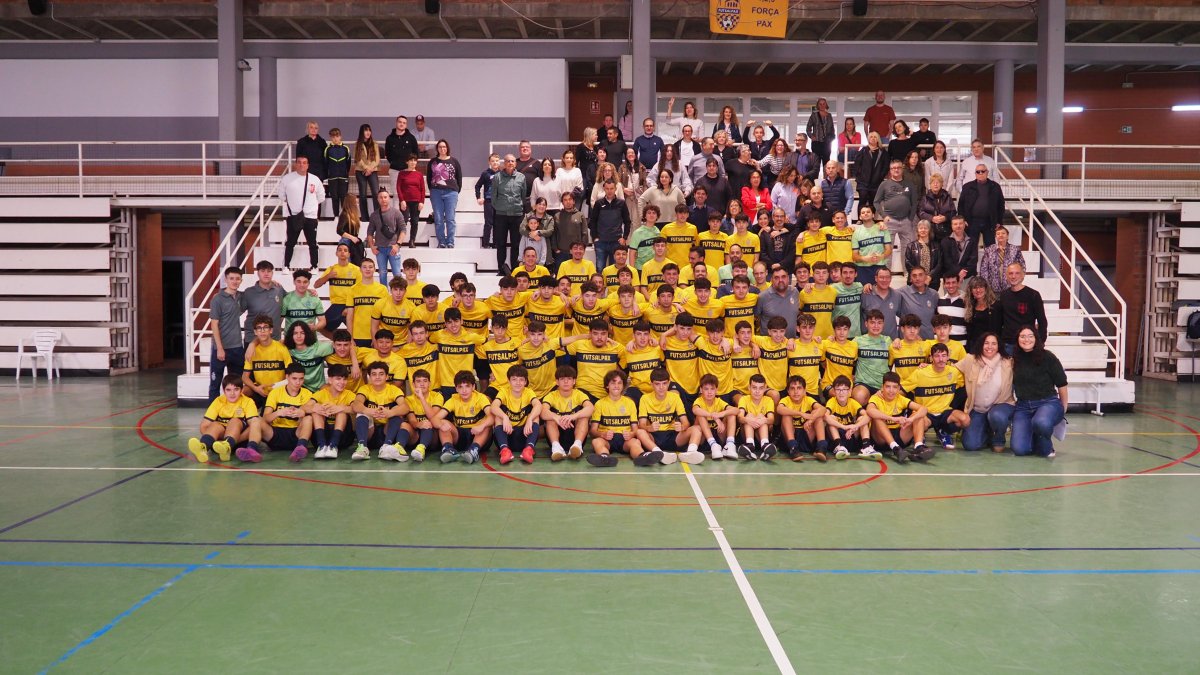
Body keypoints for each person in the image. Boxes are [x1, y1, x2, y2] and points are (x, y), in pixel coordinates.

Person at [1010, 326, 1069, 458]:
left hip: (1048, 403)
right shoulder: (1014, 359)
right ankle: (1036, 434)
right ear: (1017, 339)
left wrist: (1064, 407)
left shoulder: (1048, 357)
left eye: (1030, 336)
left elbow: (1062, 383)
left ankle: (1046, 442)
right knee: (1019, 450)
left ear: (1036, 338)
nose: (1026, 339)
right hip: (1023, 407)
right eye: (1022, 336)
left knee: (1041, 423)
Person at [953, 332, 1016, 453]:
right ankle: (987, 432)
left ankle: (998, 438)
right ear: (981, 345)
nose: (989, 347)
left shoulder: (1008, 362)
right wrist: (927, 366)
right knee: (970, 445)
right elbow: (950, 369)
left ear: (999, 346)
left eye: (994, 344)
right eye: (986, 343)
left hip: (1001, 405)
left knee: (997, 416)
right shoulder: (970, 360)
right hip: (977, 409)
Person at [903, 342, 970, 449]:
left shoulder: (954, 372)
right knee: (916, 419)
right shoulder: (921, 373)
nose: (941, 359)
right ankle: (919, 443)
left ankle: (943, 431)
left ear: (948, 357)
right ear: (931, 358)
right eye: (937, 356)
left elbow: (967, 384)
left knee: (965, 420)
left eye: (944, 356)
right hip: (926, 413)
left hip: (944, 412)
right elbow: (902, 389)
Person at [591, 369, 663, 467]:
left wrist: (631, 434)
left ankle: (643, 457)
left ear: (623, 386)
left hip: (625, 439)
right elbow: (593, 431)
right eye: (613, 383)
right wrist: (602, 434)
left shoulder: (630, 403)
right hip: (607, 439)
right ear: (607, 385)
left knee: (635, 442)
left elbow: (635, 429)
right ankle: (604, 458)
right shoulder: (599, 404)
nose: (616, 386)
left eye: (620, 383)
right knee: (596, 441)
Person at [637, 368, 705, 464]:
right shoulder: (645, 398)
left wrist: (682, 427)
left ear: (669, 383)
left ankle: (691, 453)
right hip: (654, 437)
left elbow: (686, 422)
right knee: (640, 432)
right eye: (657, 384)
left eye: (664, 383)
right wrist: (649, 428)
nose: (661, 387)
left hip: (673, 436)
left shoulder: (675, 397)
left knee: (697, 428)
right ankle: (658, 453)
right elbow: (641, 425)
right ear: (651, 384)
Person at [188, 374, 257, 463]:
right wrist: (214, 442)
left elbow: (254, 427)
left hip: (239, 443)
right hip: (218, 445)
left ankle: (227, 446)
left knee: (235, 421)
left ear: (242, 390)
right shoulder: (218, 401)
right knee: (215, 424)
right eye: (228, 390)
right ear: (224, 391)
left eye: (236, 389)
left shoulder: (248, 402)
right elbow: (204, 426)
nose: (232, 393)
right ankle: (203, 447)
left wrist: (236, 439)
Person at [866, 371, 933, 463]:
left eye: (894, 387)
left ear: (898, 389)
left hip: (899, 436)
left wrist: (911, 419)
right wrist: (893, 418)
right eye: (888, 386)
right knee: (877, 417)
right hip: (880, 439)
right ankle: (895, 448)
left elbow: (923, 409)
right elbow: (870, 411)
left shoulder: (900, 399)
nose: (891, 390)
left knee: (918, 416)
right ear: (882, 387)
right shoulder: (876, 398)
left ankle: (918, 447)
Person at [255, 363, 316, 463]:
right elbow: (266, 418)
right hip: (275, 434)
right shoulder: (275, 392)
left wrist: (302, 412)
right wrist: (279, 413)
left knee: (308, 418)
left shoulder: (307, 393)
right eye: (294, 378)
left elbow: (311, 414)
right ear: (287, 377)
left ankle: (301, 447)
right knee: (256, 420)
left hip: (296, 435)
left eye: (301, 379)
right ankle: (251, 449)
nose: (298, 382)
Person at [349, 361, 408, 461]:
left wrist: (390, 413)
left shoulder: (393, 389)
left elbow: (405, 407)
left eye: (381, 374)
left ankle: (386, 447)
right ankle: (362, 447)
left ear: (386, 376)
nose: (377, 377)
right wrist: (368, 410)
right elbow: (356, 404)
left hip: (387, 431)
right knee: (361, 413)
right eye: (374, 374)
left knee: (397, 413)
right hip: (370, 433)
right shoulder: (365, 389)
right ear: (369, 376)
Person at [487, 366, 543, 465]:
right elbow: (494, 406)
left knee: (535, 416)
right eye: (514, 379)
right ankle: (504, 451)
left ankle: (529, 449)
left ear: (525, 382)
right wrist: (505, 417)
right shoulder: (504, 391)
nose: (518, 383)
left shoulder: (528, 392)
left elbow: (538, 405)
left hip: (524, 435)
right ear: (508, 381)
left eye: (521, 380)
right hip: (507, 435)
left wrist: (529, 419)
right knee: (498, 417)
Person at [277, 156, 324, 270]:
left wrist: (310, 208)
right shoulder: (287, 179)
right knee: (290, 243)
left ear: (308, 165)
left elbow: (321, 197)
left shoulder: (314, 179)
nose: (301, 165)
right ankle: (286, 266)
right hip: (293, 216)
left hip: (310, 217)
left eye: (304, 163)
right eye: (299, 163)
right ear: (295, 164)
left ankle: (314, 266)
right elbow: (281, 195)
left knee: (312, 243)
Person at [436, 370, 493, 465]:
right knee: (442, 422)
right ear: (456, 388)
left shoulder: (481, 398)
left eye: (467, 386)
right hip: (459, 436)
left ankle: (474, 450)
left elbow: (492, 417)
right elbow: (436, 418)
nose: (464, 390)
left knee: (487, 424)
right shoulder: (453, 399)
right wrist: (440, 425)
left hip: (477, 435)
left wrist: (481, 426)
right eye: (460, 387)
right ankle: (448, 449)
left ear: (473, 387)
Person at [540, 365, 594, 461]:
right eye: (562, 379)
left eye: (569, 379)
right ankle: (556, 448)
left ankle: (577, 446)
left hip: (575, 434)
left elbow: (590, 408)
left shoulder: (579, 394)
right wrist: (556, 417)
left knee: (583, 417)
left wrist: (573, 416)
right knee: (550, 418)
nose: (566, 382)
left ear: (574, 381)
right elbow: (543, 412)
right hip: (556, 436)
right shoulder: (551, 395)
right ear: (557, 382)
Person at [208, 266, 245, 401]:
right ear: (226, 279)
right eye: (231, 278)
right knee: (215, 383)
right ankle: (212, 415)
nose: (234, 281)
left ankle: (234, 412)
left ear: (241, 280)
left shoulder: (241, 296)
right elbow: (214, 324)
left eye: (237, 279)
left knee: (236, 384)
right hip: (221, 348)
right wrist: (219, 348)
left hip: (236, 347)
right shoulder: (217, 299)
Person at [240, 314, 291, 408]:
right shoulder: (252, 351)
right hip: (260, 389)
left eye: (265, 327)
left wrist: (277, 387)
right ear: (255, 332)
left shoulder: (281, 348)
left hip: (278, 389)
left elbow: (291, 375)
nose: (262, 331)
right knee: (245, 390)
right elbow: (244, 377)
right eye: (259, 328)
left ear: (271, 330)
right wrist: (255, 388)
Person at [822, 375, 878, 459]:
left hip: (851, 436)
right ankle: (839, 446)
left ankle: (866, 446)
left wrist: (855, 426)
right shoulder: (832, 402)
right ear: (834, 391)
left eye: (844, 389)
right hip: (837, 436)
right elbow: (825, 416)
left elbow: (868, 415)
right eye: (838, 389)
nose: (841, 392)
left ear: (850, 391)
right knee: (831, 417)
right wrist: (844, 427)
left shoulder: (853, 402)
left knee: (861, 418)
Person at [313, 242, 362, 334]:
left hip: (351, 304)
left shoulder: (356, 270)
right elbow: (316, 285)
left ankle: (354, 346)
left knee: (358, 331)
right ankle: (337, 343)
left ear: (349, 254)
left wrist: (351, 307)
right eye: (340, 250)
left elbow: (361, 290)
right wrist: (328, 276)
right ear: (336, 253)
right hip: (336, 305)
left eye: (345, 250)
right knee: (321, 327)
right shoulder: (331, 269)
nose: (342, 252)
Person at [999, 262, 1047, 352]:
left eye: (1017, 273)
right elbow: (1000, 321)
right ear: (1006, 276)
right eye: (1010, 273)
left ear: (1023, 275)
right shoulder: (1003, 295)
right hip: (1008, 344)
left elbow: (1042, 321)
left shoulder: (1033, 295)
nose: (1013, 276)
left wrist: (1040, 342)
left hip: (1027, 344)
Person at [875, 159, 918, 260]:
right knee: (887, 250)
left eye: (898, 167)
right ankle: (886, 275)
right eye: (893, 168)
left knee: (908, 251)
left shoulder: (909, 184)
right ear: (890, 170)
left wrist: (910, 218)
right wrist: (884, 216)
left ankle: (908, 274)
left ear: (902, 169)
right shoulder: (884, 184)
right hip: (890, 221)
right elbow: (876, 202)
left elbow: (915, 203)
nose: (896, 170)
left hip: (906, 221)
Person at [491, 154, 526, 275]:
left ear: (515, 163)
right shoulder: (497, 177)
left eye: (512, 161)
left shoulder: (521, 177)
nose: (510, 163)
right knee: (501, 243)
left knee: (516, 244)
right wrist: (501, 208)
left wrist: (517, 207)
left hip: (517, 215)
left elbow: (523, 195)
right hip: (501, 215)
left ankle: (515, 269)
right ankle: (501, 269)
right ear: (504, 163)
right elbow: (493, 197)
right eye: (507, 161)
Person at [692, 374, 741, 459]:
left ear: (716, 390)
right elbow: (695, 410)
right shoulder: (699, 401)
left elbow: (737, 410)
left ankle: (729, 444)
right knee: (700, 415)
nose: (709, 392)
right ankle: (713, 444)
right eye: (706, 389)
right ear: (701, 390)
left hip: (719, 436)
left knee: (731, 414)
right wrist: (713, 416)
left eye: (712, 389)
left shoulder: (718, 401)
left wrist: (720, 414)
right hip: (704, 439)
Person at [425, 139, 462, 248]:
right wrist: (432, 189)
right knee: (438, 218)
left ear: (447, 148)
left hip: (451, 192)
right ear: (437, 148)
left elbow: (459, 177)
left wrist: (456, 190)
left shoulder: (454, 161)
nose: (442, 149)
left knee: (450, 218)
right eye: (440, 147)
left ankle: (450, 241)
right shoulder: (432, 162)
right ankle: (441, 241)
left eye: (444, 147)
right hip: (436, 192)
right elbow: (429, 178)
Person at [958, 163, 1006, 247]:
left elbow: (1001, 205)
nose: (980, 173)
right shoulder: (967, 187)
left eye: (982, 171)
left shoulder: (995, 186)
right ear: (975, 174)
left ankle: (990, 261)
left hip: (989, 222)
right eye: (978, 172)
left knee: (991, 248)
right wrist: (962, 219)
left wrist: (999, 221)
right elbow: (961, 204)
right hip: (971, 222)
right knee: (970, 248)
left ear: (987, 172)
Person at [589, 179, 632, 269]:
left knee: (615, 270)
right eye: (607, 188)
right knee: (600, 269)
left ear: (615, 189)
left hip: (616, 242)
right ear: (604, 189)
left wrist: (624, 238)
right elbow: (593, 222)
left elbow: (627, 222)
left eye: (611, 188)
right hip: (601, 242)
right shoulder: (598, 203)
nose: (609, 191)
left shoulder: (621, 203)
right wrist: (595, 237)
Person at [366, 189, 404, 285]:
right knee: (382, 274)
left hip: (393, 248)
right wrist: (371, 246)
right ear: (378, 199)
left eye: (385, 197)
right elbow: (369, 232)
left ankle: (399, 294)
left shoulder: (396, 213)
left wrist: (398, 245)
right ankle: (384, 295)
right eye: (381, 197)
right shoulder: (374, 215)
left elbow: (403, 230)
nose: (383, 199)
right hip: (380, 249)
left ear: (389, 198)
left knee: (397, 274)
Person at [755, 266, 800, 337]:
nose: (780, 280)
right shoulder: (762, 297)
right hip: (769, 346)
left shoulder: (795, 292)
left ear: (788, 278)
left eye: (783, 277)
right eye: (776, 278)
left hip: (791, 343)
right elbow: (755, 319)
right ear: (771, 280)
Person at [978, 224, 1025, 294]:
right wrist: (986, 285)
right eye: (998, 234)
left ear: (1007, 236)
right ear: (995, 236)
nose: (1000, 235)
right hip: (993, 289)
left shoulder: (1015, 249)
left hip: (1011, 288)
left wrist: (1018, 282)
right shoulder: (989, 250)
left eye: (1003, 233)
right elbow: (984, 269)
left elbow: (1022, 266)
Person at [395, 154, 426, 248]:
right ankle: (399, 241)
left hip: (416, 202)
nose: (413, 162)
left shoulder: (419, 175)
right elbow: (398, 187)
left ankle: (412, 240)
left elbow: (423, 189)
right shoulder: (402, 173)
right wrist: (402, 200)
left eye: (414, 160)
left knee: (415, 221)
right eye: (411, 160)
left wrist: (422, 202)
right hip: (405, 202)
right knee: (403, 221)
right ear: (407, 162)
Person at [854, 132, 889, 211]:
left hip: (876, 182)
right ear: (868, 139)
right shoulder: (863, 151)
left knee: (873, 202)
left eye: (875, 137)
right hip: (863, 182)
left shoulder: (883, 152)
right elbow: (857, 165)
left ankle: (871, 218)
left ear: (878, 139)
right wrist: (859, 176)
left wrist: (880, 176)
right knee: (862, 199)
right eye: (871, 137)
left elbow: (885, 166)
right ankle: (860, 219)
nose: (873, 138)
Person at [904, 220, 943, 291]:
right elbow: (908, 263)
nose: (923, 230)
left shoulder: (937, 246)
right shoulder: (910, 246)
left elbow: (939, 264)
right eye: (921, 228)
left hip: (932, 281)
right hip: (915, 281)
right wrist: (919, 277)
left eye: (925, 228)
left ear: (929, 230)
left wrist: (929, 277)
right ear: (917, 230)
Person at [917, 173, 956, 242]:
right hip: (930, 229)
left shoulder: (947, 197)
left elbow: (953, 212)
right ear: (930, 185)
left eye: (938, 182)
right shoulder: (925, 198)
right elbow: (920, 212)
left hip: (945, 229)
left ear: (942, 184)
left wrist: (945, 217)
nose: (935, 184)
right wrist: (932, 218)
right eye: (933, 182)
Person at [353, 123, 380, 220]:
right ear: (362, 132)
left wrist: (370, 168)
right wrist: (366, 168)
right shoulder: (358, 144)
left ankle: (377, 216)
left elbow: (377, 160)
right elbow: (358, 158)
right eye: (366, 130)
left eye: (369, 130)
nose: (368, 132)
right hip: (361, 171)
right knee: (363, 194)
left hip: (372, 171)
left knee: (376, 193)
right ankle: (364, 217)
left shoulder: (375, 144)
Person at [940, 215, 978, 282]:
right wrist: (959, 271)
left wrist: (964, 273)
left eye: (960, 223)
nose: (958, 226)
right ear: (952, 226)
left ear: (964, 224)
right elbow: (947, 261)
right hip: (950, 279)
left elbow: (973, 260)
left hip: (968, 277)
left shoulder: (972, 241)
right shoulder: (945, 241)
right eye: (955, 224)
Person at [323, 127, 350, 220]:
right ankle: (336, 216)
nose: (335, 139)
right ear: (330, 138)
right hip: (332, 177)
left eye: (337, 136)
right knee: (334, 197)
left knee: (343, 197)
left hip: (343, 177)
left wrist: (345, 173)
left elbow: (348, 163)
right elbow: (325, 163)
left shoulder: (346, 149)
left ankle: (344, 216)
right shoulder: (327, 149)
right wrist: (328, 175)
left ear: (340, 137)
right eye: (333, 137)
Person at [520, 198, 555, 266]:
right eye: (539, 204)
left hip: (544, 251)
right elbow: (521, 229)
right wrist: (531, 234)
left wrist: (538, 232)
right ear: (535, 205)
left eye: (544, 205)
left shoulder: (549, 218)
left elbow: (550, 231)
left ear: (546, 207)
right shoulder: (528, 216)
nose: (541, 206)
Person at [805, 98, 835, 175]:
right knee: (816, 164)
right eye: (820, 104)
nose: (822, 105)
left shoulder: (829, 116)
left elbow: (832, 129)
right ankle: (815, 184)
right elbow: (808, 128)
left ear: (826, 105)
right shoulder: (814, 115)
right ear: (818, 105)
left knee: (827, 164)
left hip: (827, 143)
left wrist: (831, 139)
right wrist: (811, 136)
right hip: (816, 143)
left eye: (823, 104)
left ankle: (826, 183)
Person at [335, 193, 366, 265]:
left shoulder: (353, 215)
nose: (357, 204)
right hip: (347, 242)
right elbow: (339, 230)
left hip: (353, 242)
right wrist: (352, 237)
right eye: (355, 202)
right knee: (348, 264)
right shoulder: (344, 215)